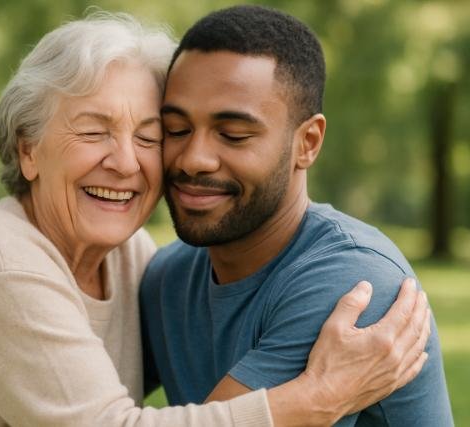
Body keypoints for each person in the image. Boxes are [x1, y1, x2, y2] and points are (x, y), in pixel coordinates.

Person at [0, 10, 430, 427]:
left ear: (307, 142)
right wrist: (316, 398)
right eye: (92, 130)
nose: (128, 161)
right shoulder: (8, 262)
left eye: (151, 135)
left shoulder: (142, 267)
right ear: (27, 149)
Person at [139, 5, 454, 426]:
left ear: (307, 142)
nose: (193, 159)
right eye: (176, 129)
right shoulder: (169, 278)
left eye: (233, 135)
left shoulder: (354, 286)